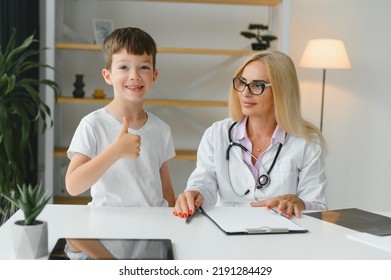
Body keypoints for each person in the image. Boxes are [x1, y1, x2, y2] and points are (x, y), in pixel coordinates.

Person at [173, 51, 327, 219]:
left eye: (257, 85)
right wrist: (194, 194)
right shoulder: (217, 134)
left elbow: (317, 206)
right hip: (226, 233)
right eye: (242, 82)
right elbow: (203, 184)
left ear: (281, 92)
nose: (245, 93)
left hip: (279, 236)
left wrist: (299, 203)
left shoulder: (307, 143)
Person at [65, 27, 176, 208]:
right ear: (108, 76)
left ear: (154, 76)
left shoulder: (162, 129)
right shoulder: (92, 124)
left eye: (144, 67)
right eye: (124, 67)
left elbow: (167, 190)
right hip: (106, 229)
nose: (134, 76)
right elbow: (73, 185)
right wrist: (115, 151)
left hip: (153, 230)